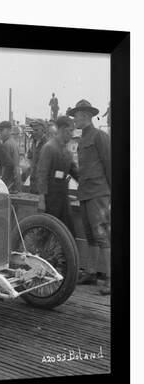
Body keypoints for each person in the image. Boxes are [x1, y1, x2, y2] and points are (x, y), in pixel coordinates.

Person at [68, 100, 111, 295]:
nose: (74, 119)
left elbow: (110, 165)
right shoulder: (83, 138)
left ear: (85, 115)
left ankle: (110, 279)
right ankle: (91, 273)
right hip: (85, 193)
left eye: (76, 115)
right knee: (91, 237)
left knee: (102, 237)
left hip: (98, 193)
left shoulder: (100, 136)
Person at [36, 116, 79, 237]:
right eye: (70, 131)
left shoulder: (67, 152)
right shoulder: (49, 148)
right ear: (63, 130)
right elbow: (42, 174)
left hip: (63, 197)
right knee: (48, 232)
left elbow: (75, 172)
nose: (71, 134)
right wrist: (41, 199)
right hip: (50, 198)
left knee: (68, 232)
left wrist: (91, 183)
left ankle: (66, 255)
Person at [0, 121, 21, 192]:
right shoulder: (13, 142)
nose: (0, 133)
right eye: (0, 130)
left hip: (10, 183)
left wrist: (3, 183)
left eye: (2, 130)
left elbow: (7, 167)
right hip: (15, 180)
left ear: (8, 130)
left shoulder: (6, 145)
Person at [26, 119, 48, 194]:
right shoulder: (34, 143)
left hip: (42, 184)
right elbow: (29, 156)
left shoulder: (47, 144)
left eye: (36, 130)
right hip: (33, 181)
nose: (34, 132)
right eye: (33, 130)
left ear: (43, 130)